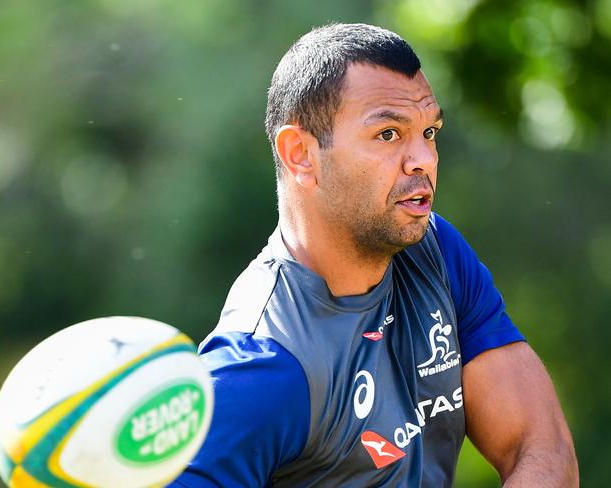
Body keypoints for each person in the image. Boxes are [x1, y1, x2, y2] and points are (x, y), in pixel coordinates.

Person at [170, 23, 578, 487]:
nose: (422, 158)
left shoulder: (435, 253)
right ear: (300, 154)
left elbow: (541, 447)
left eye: (429, 131)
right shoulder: (262, 366)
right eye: (388, 134)